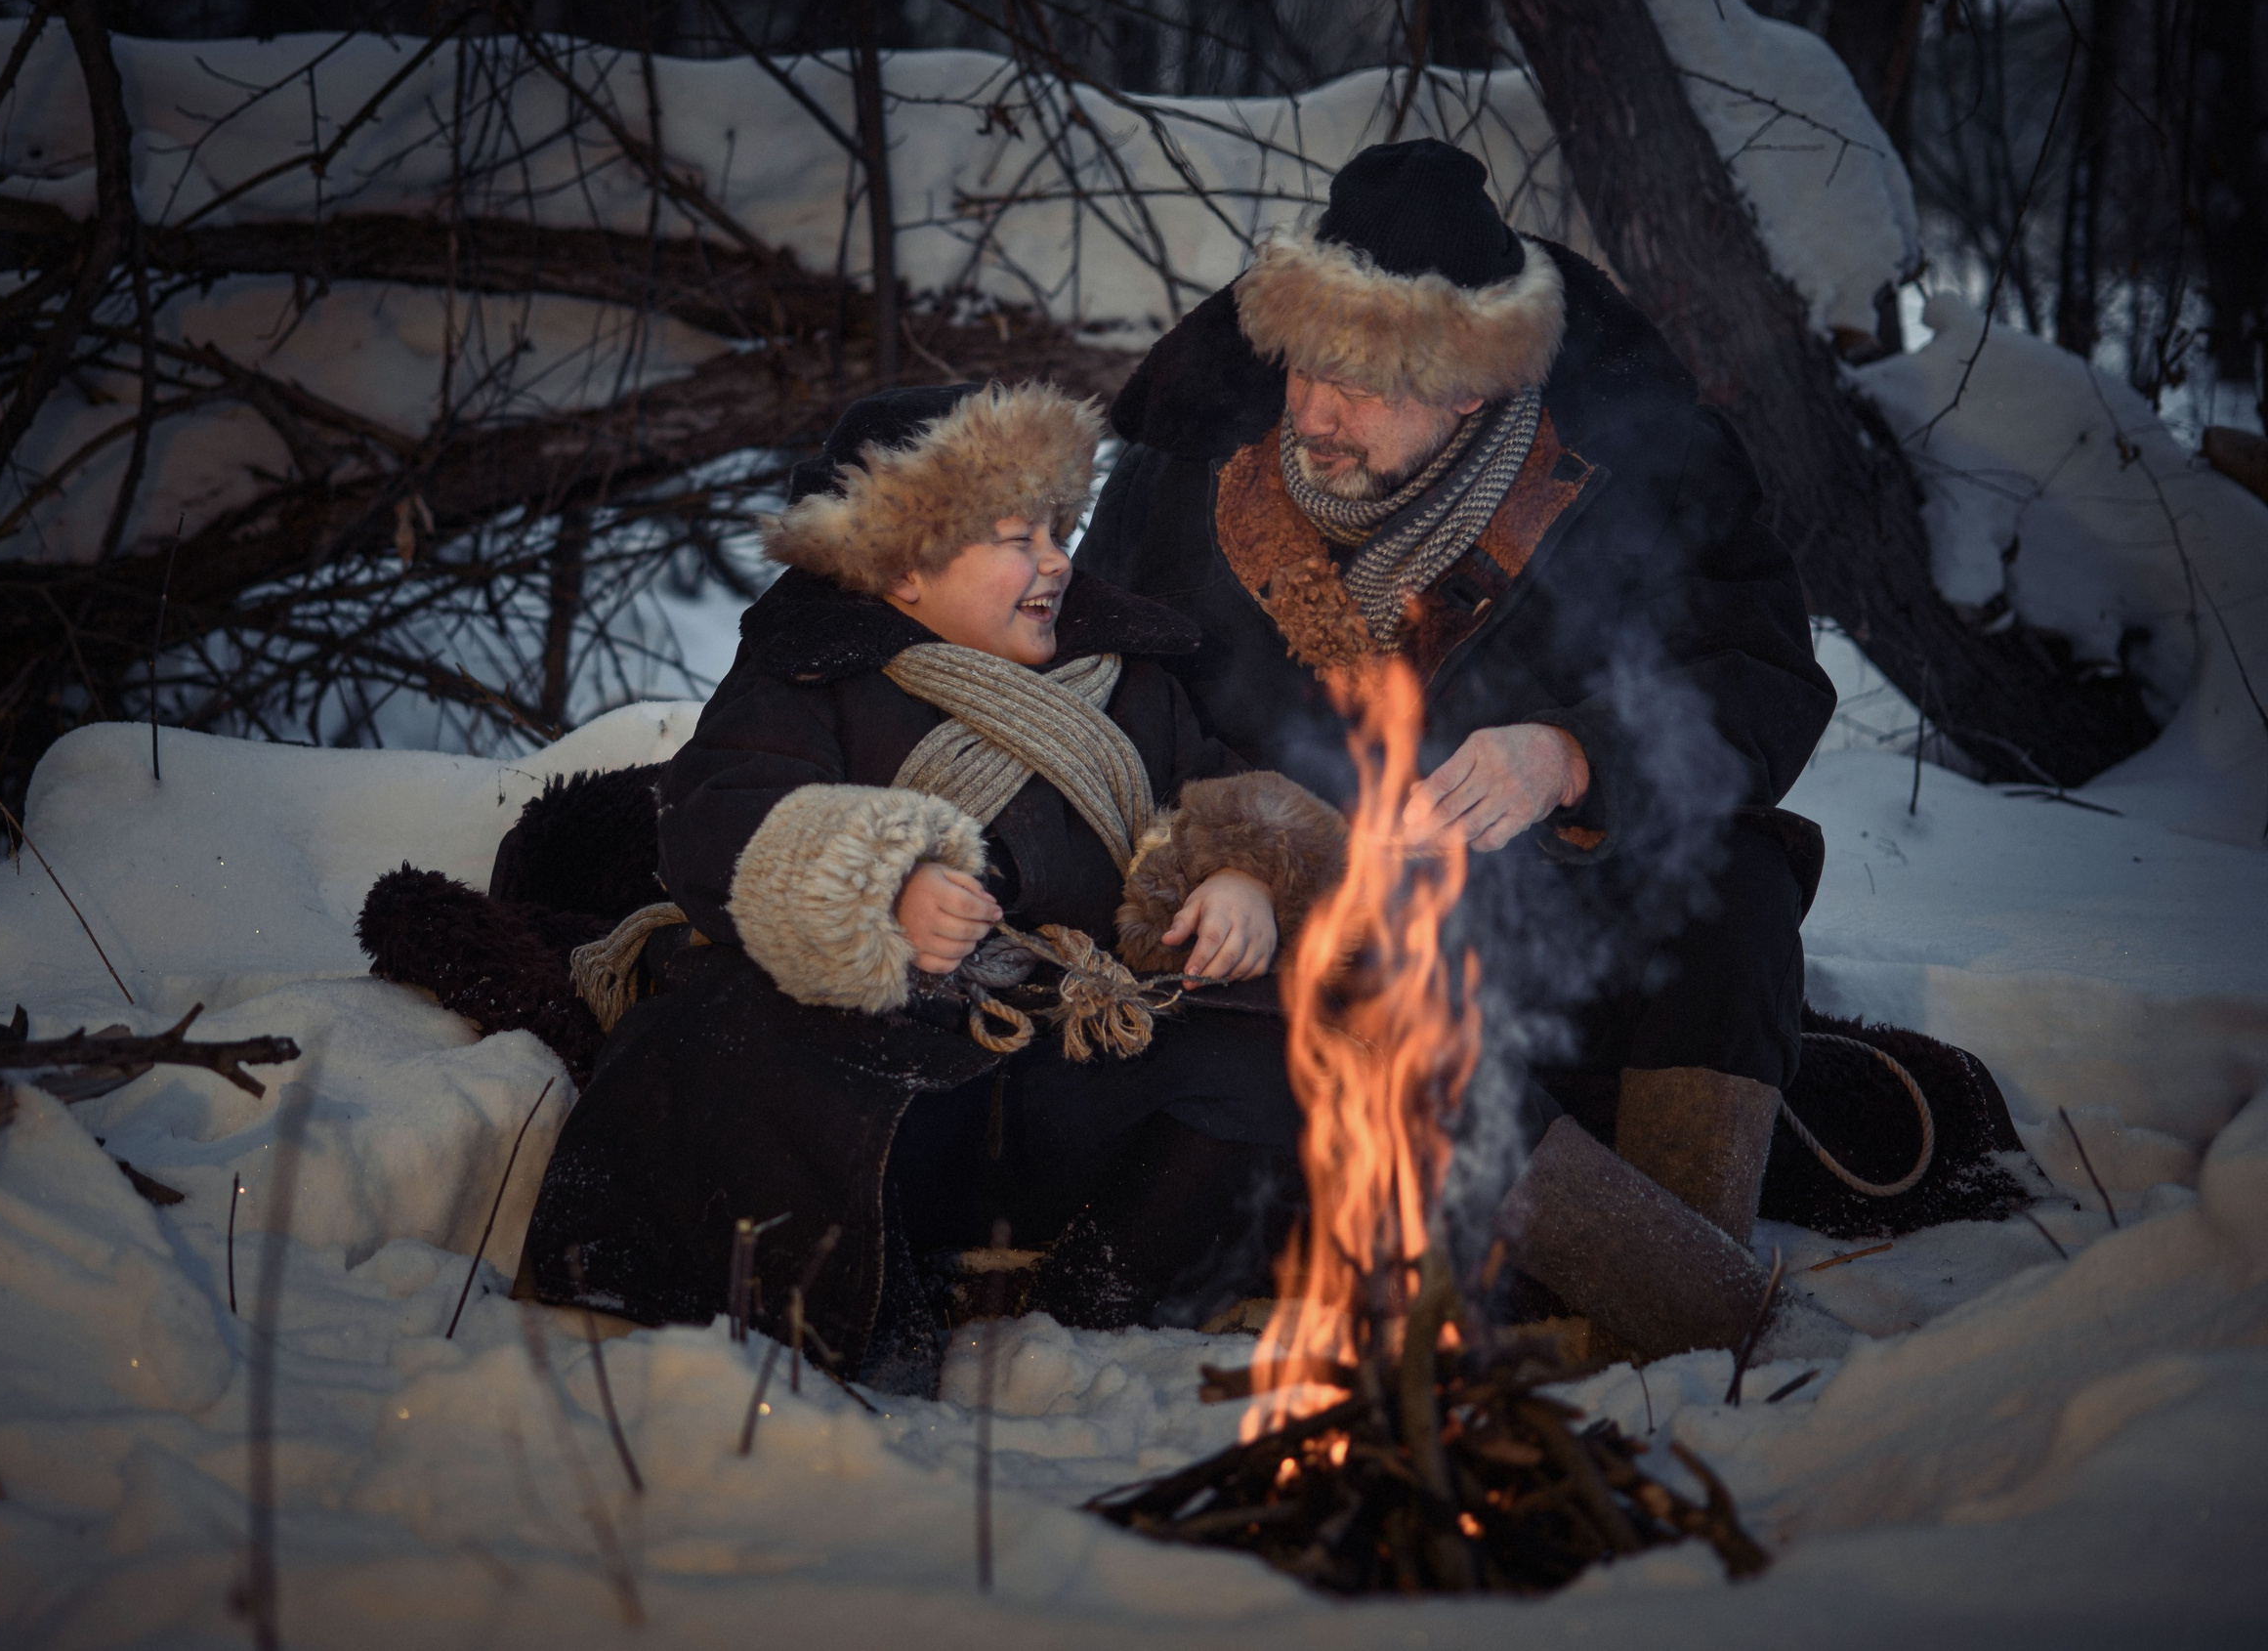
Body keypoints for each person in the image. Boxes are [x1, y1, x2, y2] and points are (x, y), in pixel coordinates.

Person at [1072, 139, 1837, 1256]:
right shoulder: (1188, 463)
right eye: (1306, 368)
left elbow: (1762, 678)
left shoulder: (1646, 464)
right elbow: (1097, 690)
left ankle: (1683, 1262)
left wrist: (1574, 754)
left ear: (1476, 381)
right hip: (1275, 921)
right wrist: (1231, 843)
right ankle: (1633, 1279)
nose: (1322, 415)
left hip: (1538, 904)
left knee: (1737, 894)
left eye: (1373, 384)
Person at [518, 382, 1346, 1392]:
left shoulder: (1129, 678)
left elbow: (1203, 781)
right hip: (890, 1085)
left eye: (1057, 527)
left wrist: (1239, 869)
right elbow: (719, 814)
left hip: (1065, 1066)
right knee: (737, 1034)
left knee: (1276, 1049)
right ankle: (854, 1315)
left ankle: (1108, 1295)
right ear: (902, 565)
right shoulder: (810, 679)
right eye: (1014, 537)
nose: (1054, 560)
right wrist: (881, 887)